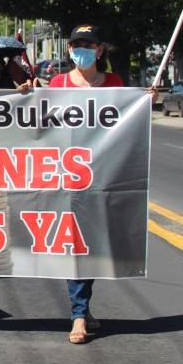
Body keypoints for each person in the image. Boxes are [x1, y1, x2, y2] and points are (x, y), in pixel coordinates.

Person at [46, 24, 156, 344]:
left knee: (92, 244)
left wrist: (144, 100)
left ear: (99, 50)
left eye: (88, 44)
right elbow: (39, 124)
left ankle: (84, 307)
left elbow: (126, 122)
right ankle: (78, 315)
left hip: (104, 176)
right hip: (67, 176)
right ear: (69, 50)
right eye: (76, 44)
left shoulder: (115, 83)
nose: (82, 49)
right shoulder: (57, 83)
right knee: (75, 246)